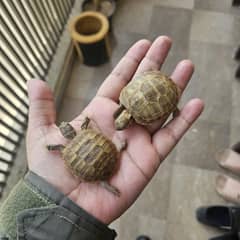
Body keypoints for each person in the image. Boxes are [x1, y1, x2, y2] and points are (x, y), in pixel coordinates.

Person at [0, 36, 204, 240]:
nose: (120, 125)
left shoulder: (121, 111)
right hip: (95, 152)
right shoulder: (119, 116)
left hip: (98, 150)